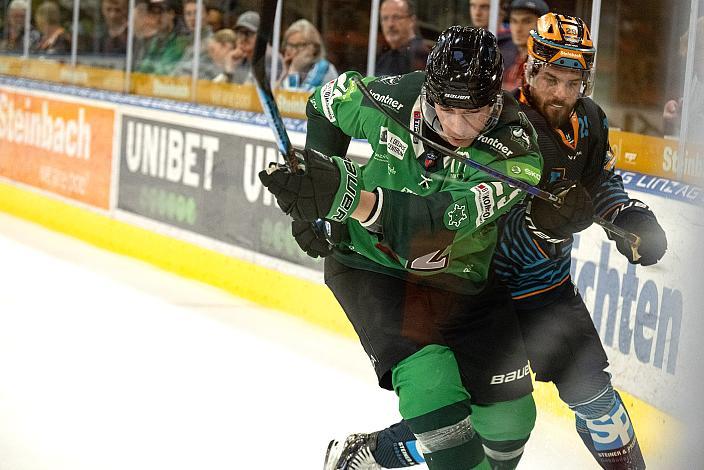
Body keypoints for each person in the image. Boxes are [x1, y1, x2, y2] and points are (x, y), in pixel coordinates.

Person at [321, 13, 667, 470]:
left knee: (596, 400)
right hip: (486, 289)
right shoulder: (496, 121)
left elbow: (599, 183)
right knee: (474, 415)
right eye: (551, 78)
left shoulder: (591, 121)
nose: (561, 93)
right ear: (529, 68)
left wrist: (625, 214)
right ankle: (373, 453)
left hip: (546, 292)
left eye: (573, 81)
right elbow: (462, 214)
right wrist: (542, 228)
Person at [259, 26, 590, 470]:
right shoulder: (391, 100)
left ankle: (373, 454)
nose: (457, 127)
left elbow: (434, 222)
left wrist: (344, 195)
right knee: (434, 395)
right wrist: (315, 204)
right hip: (372, 267)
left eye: (472, 113)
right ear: (428, 92)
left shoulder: (517, 151)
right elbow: (325, 104)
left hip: (464, 281)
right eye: (446, 109)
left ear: (495, 99)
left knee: (511, 419)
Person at [218, 10, 283, 84]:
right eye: (240, 33)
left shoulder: (272, 59)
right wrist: (228, 70)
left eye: (248, 33)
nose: (242, 39)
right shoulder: (241, 59)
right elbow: (219, 90)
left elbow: (251, 91)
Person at [498, 0, 548, 90]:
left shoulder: (547, 63)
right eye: (514, 21)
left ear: (543, 26)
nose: (518, 29)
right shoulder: (502, 53)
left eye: (526, 21)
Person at [278, 19, 338, 91]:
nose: (294, 51)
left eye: (300, 45)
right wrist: (285, 72)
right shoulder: (280, 68)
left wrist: (294, 71)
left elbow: (299, 99)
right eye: (290, 45)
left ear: (314, 48)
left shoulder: (325, 69)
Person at [375, 0, 430, 76]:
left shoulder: (421, 55)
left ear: (412, 21)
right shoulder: (384, 60)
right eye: (385, 18)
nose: (390, 24)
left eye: (396, 17)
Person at [135, 0, 189, 75]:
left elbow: (165, 70)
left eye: (160, 12)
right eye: (154, 13)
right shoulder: (156, 39)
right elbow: (144, 66)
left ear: (171, 14)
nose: (157, 18)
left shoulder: (181, 39)